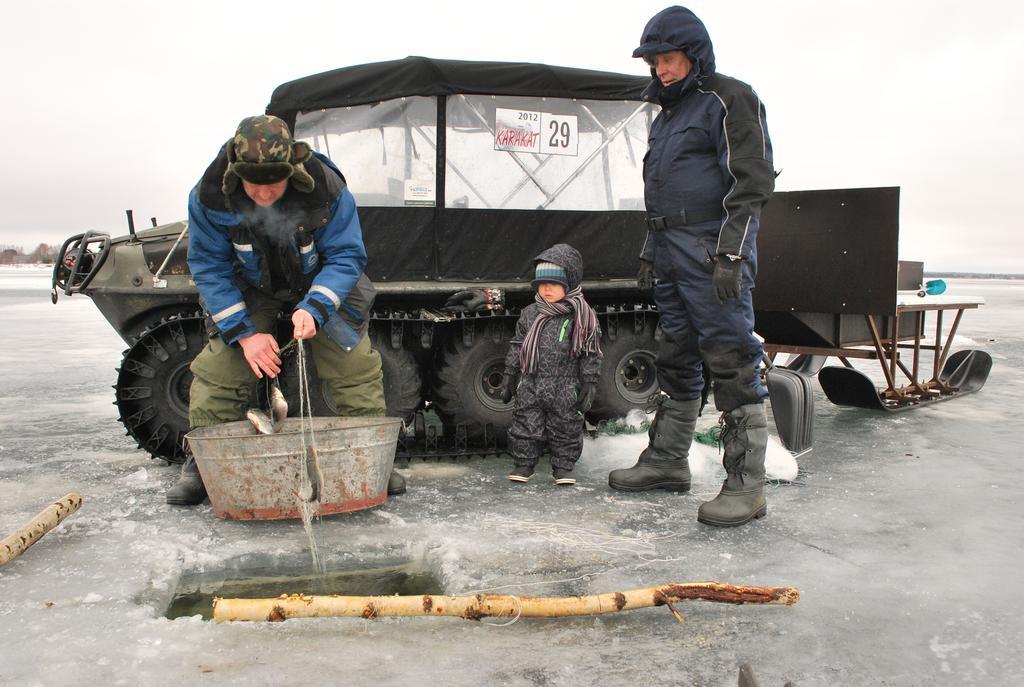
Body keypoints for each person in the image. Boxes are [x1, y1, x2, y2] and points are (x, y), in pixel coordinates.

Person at [166, 114, 405, 505]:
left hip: (320, 281)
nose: (263, 194)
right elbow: (209, 267)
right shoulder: (208, 197)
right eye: (253, 184)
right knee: (218, 372)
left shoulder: (326, 189)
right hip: (250, 288)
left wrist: (313, 308)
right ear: (235, 173)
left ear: (292, 170)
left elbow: (346, 255)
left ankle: (377, 457)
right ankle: (201, 463)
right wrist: (244, 334)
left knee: (355, 363)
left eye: (273, 183)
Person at [608, 6, 775, 527]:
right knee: (676, 354)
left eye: (670, 59)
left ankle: (747, 486)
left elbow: (752, 183)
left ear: (694, 55)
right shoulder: (667, 117)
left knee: (730, 359)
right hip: (669, 251)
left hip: (712, 252)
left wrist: (731, 253)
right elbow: (661, 194)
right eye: (655, 61)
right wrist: (648, 250)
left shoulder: (729, 99)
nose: (661, 69)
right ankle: (666, 461)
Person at [502, 244, 602, 486]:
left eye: (554, 284)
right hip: (531, 382)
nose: (546, 289)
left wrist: (589, 381)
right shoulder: (529, 314)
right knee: (526, 422)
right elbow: (517, 344)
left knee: (566, 425)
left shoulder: (582, 316)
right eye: (541, 284)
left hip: (565, 384)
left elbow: (590, 351)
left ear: (569, 284)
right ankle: (524, 462)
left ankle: (563, 465)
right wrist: (509, 374)